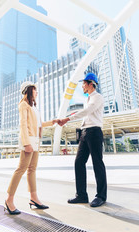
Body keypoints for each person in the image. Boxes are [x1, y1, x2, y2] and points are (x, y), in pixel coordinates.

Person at [5, 81, 58, 214]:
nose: (37, 92)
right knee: (21, 169)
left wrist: (54, 122)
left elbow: (39, 124)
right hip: (28, 140)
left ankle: (33, 198)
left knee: (32, 169)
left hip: (35, 140)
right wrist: (26, 143)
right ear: (29, 90)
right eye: (35, 90)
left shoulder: (33, 107)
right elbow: (23, 125)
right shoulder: (23, 105)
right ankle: (9, 200)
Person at [58, 73, 107, 207]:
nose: (82, 86)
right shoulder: (88, 99)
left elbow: (87, 111)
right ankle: (81, 195)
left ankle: (101, 196)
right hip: (85, 132)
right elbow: (85, 112)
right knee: (79, 162)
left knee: (97, 163)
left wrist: (67, 119)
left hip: (95, 132)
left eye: (84, 83)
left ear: (91, 84)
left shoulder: (97, 97)